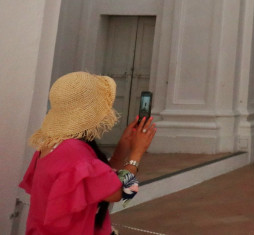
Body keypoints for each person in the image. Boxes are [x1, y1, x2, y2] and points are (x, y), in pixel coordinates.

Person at [19, 71, 157, 234]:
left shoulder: (50, 145)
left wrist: (122, 149)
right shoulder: (76, 154)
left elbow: (98, 184)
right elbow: (121, 192)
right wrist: (136, 155)